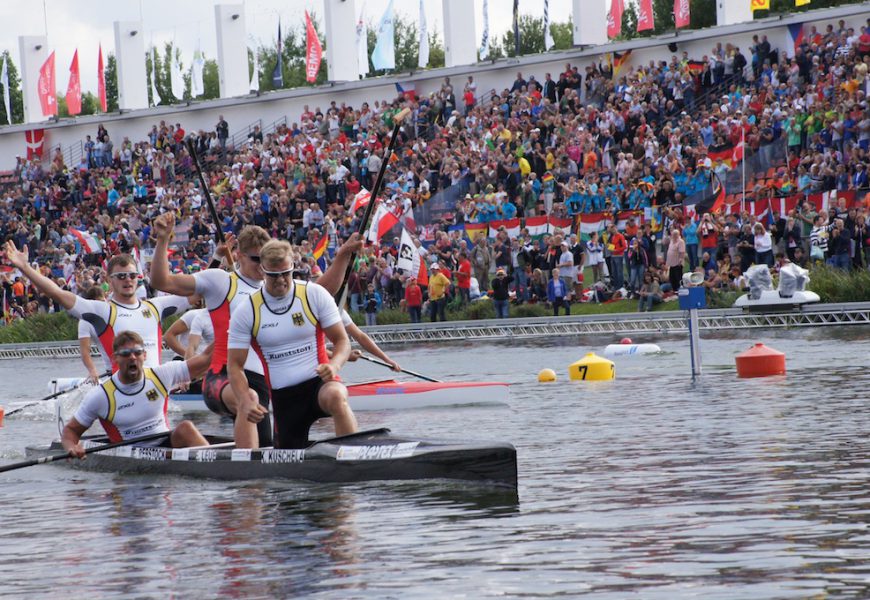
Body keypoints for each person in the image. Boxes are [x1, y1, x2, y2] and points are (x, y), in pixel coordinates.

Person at [227, 240, 354, 449]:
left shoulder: (314, 294)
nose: (281, 281)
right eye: (274, 275)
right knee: (287, 460)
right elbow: (235, 366)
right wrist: (243, 399)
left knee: (337, 396)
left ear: (293, 268)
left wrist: (334, 365)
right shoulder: (247, 310)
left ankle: (354, 458)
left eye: (286, 273)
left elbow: (342, 341)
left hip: (318, 384)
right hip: (284, 398)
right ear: (262, 270)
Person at [3, 240, 192, 371]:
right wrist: (25, 268)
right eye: (121, 276)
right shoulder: (102, 311)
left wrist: (221, 254)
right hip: (122, 396)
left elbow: (201, 289)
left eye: (133, 276)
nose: (128, 280)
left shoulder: (155, 307)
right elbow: (57, 293)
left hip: (156, 395)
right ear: (109, 281)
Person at [61, 331, 211, 458]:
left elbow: (205, 359)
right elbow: (71, 431)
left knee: (186, 428)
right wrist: (71, 447)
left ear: (144, 355)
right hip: (131, 453)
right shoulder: (101, 396)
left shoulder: (161, 374)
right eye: (125, 353)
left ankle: (216, 460)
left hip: (165, 444)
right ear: (115, 359)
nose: (132, 357)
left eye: (137, 352)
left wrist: (229, 335)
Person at [77, 286, 112, 385]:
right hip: (112, 369)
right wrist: (92, 370)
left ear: (105, 298)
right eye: (97, 303)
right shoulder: (85, 321)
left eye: (102, 302)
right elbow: (85, 351)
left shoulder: (113, 310)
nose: (101, 306)